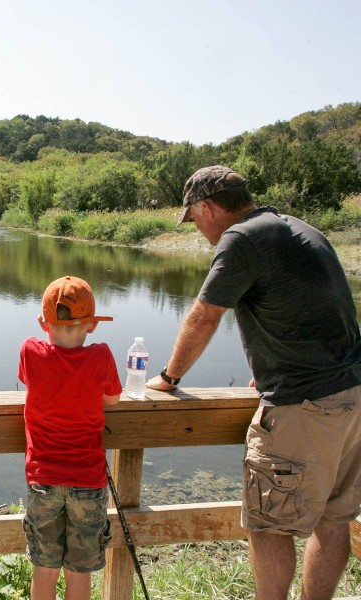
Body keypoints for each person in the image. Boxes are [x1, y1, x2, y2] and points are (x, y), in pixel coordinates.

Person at [146, 165, 361, 600]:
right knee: (335, 519)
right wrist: (271, 363)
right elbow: (316, 309)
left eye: (193, 218)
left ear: (206, 207)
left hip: (304, 406)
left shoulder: (241, 239)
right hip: (353, 396)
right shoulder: (301, 229)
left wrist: (169, 377)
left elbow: (205, 315)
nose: (198, 229)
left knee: (268, 524)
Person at [19, 275, 122, 599]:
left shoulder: (30, 351)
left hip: (43, 480)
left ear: (43, 322)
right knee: (80, 573)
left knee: (45, 569)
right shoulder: (101, 357)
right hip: (87, 483)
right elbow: (113, 399)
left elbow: (28, 380)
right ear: (92, 325)